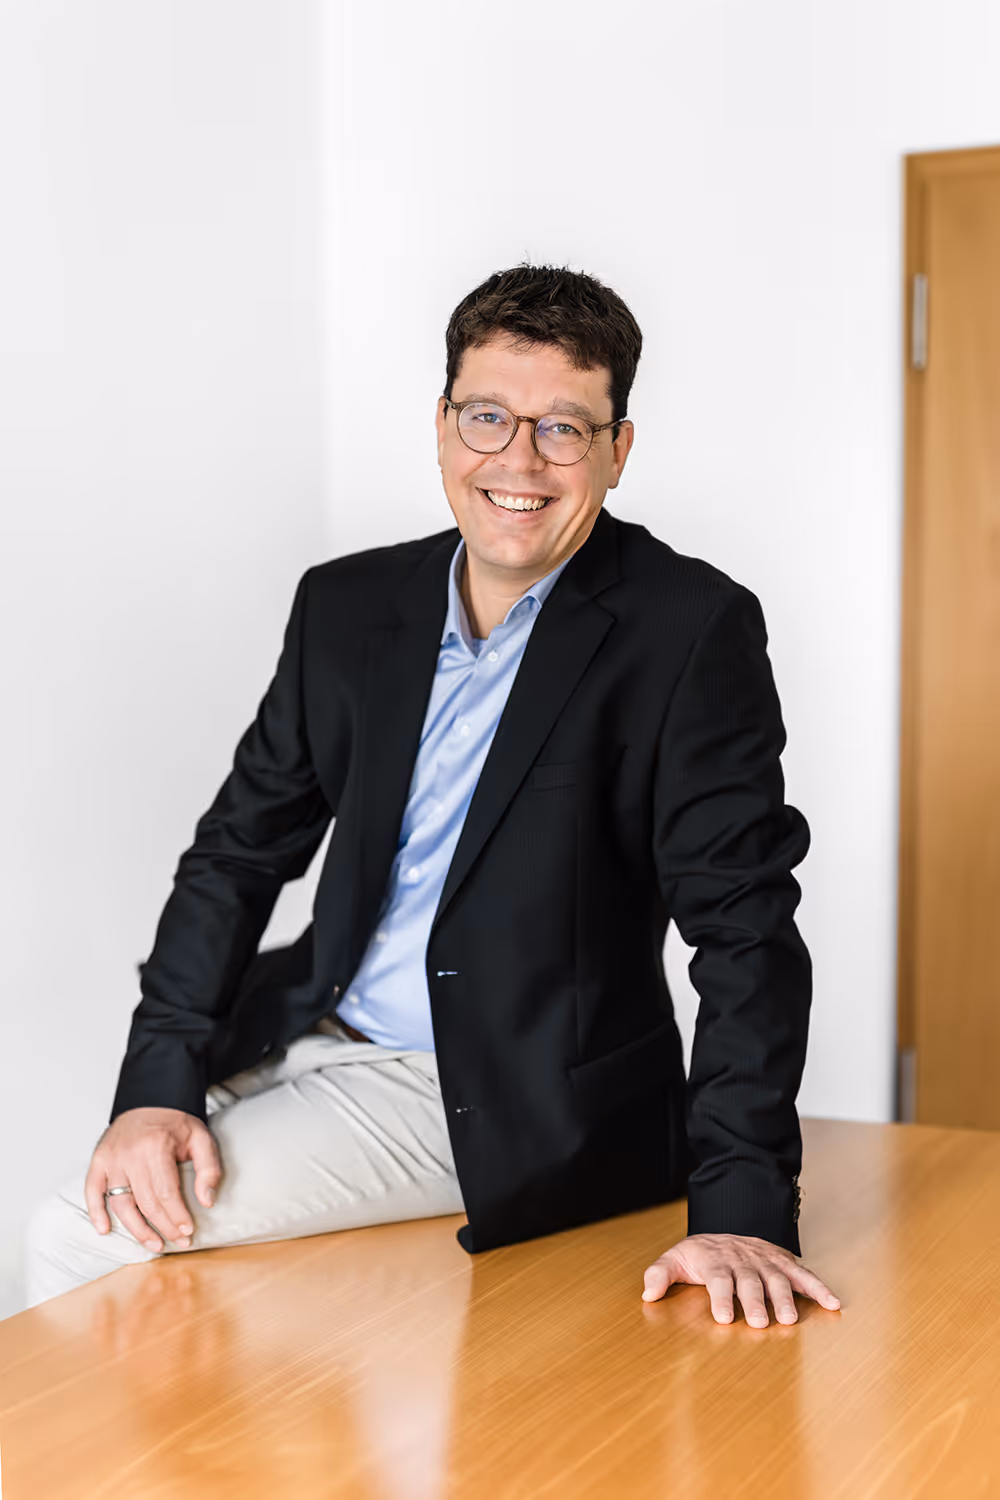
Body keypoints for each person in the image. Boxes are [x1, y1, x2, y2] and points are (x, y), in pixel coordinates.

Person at [25, 264, 841, 1329]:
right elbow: (236, 852)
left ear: (616, 450)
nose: (519, 460)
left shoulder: (686, 629)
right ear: (443, 423)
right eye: (489, 417)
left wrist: (742, 1205)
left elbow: (744, 932)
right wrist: (155, 1084)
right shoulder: (348, 607)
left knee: (78, 1233)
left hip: (497, 1091)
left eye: (563, 429)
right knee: (125, 1179)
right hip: (309, 1032)